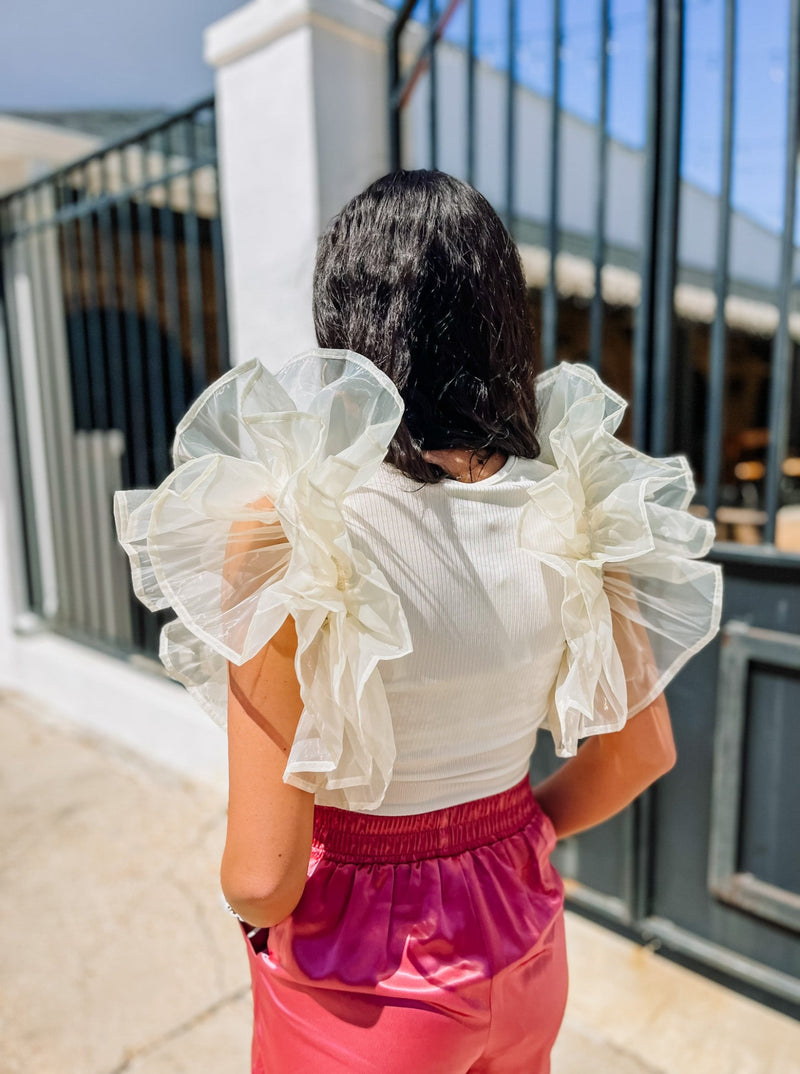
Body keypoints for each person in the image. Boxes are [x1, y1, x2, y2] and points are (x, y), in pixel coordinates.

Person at [114, 169, 723, 1073]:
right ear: (501, 319)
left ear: (346, 325)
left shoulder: (291, 530)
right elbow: (643, 753)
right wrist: (513, 838)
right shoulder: (575, 508)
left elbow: (261, 878)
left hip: (362, 988)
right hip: (525, 947)